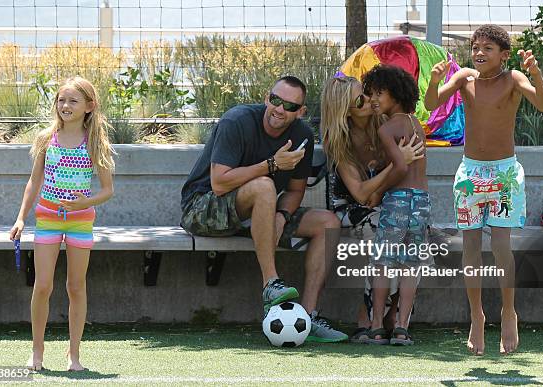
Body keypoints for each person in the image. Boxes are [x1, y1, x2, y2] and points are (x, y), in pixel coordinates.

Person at [180, 76, 348, 342]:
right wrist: (271, 164)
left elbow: (294, 190)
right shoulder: (236, 121)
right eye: (276, 100)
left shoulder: (301, 135)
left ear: (301, 112)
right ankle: (271, 283)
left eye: (290, 106)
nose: (280, 109)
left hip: (260, 212)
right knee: (264, 185)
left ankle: (307, 317)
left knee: (328, 223)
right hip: (203, 208)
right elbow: (220, 183)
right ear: (266, 98)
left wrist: (282, 215)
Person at [424, 24, 543, 355]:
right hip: (470, 173)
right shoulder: (464, 78)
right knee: (470, 244)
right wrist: (436, 80)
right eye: (475, 47)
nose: (479, 53)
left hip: (505, 175)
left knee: (499, 245)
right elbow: (431, 103)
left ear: (504, 55)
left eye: (487, 48)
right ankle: (476, 315)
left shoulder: (512, 80)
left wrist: (535, 74)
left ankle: (509, 311)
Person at [9, 76, 115, 371]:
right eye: (61, 100)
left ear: (89, 106)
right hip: (47, 219)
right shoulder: (46, 138)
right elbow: (34, 181)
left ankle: (74, 354)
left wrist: (85, 203)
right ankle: (37, 351)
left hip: (80, 223)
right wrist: (20, 218)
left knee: (75, 287)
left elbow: (107, 190)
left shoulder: (95, 142)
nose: (65, 105)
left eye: (73, 101)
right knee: (42, 285)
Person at [320, 74, 425, 343]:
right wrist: (396, 163)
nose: (370, 99)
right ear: (345, 108)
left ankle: (394, 317)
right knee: (383, 228)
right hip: (349, 209)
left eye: (368, 92)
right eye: (361, 98)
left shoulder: (385, 123)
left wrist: (382, 188)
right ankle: (369, 318)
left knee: (407, 234)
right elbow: (359, 194)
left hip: (383, 202)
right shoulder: (338, 139)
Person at [364, 64, 430, 346]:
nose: (373, 99)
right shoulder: (416, 124)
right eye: (370, 94)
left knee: (382, 265)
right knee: (410, 266)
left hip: (398, 201)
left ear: (397, 94)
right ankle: (402, 326)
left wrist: (377, 192)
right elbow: (406, 163)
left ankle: (377, 326)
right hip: (422, 202)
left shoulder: (386, 128)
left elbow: (400, 166)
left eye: (380, 92)